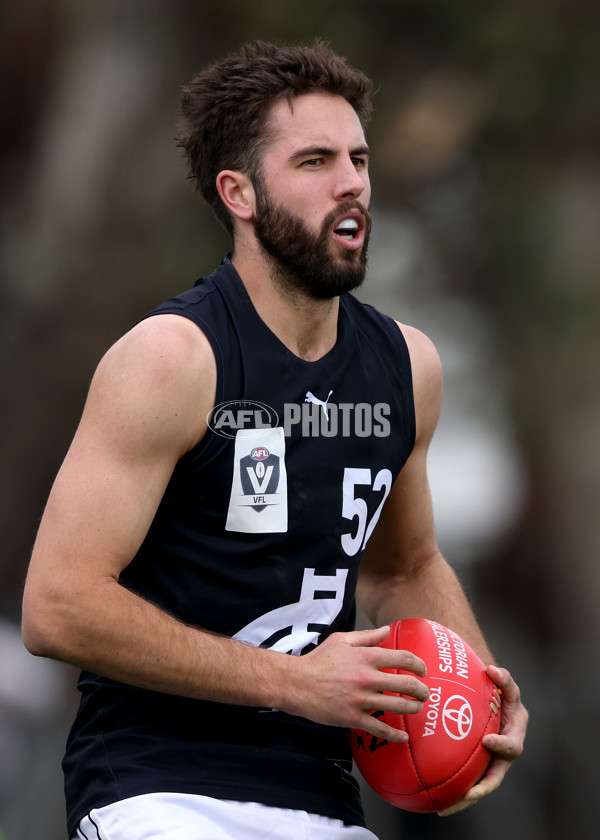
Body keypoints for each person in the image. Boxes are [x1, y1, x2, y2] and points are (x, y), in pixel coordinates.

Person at [22, 40, 527, 840]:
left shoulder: (408, 366)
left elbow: (405, 566)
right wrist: (294, 683)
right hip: (162, 790)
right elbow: (56, 606)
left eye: (359, 157)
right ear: (240, 193)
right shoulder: (172, 359)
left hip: (324, 798)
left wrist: (481, 699)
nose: (352, 181)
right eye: (316, 160)